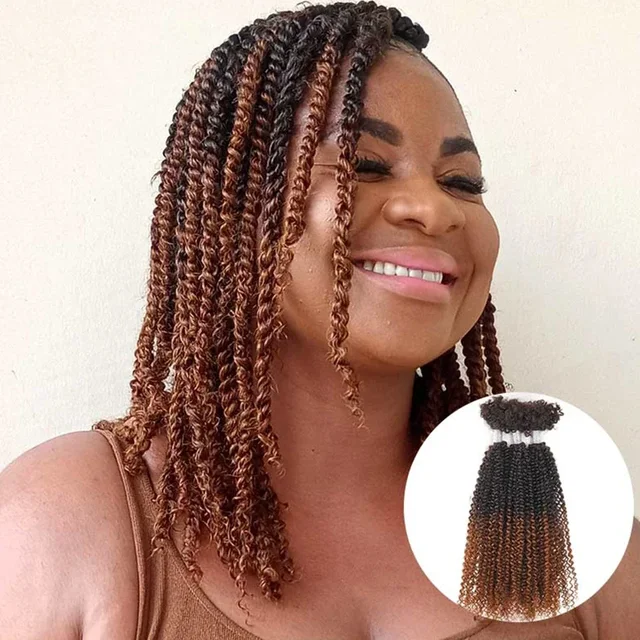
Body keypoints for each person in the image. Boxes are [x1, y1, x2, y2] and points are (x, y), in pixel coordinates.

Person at [1, 2, 638, 638]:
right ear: (235, 210)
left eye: (462, 183)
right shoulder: (70, 518)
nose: (435, 209)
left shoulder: (576, 525)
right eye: (364, 166)